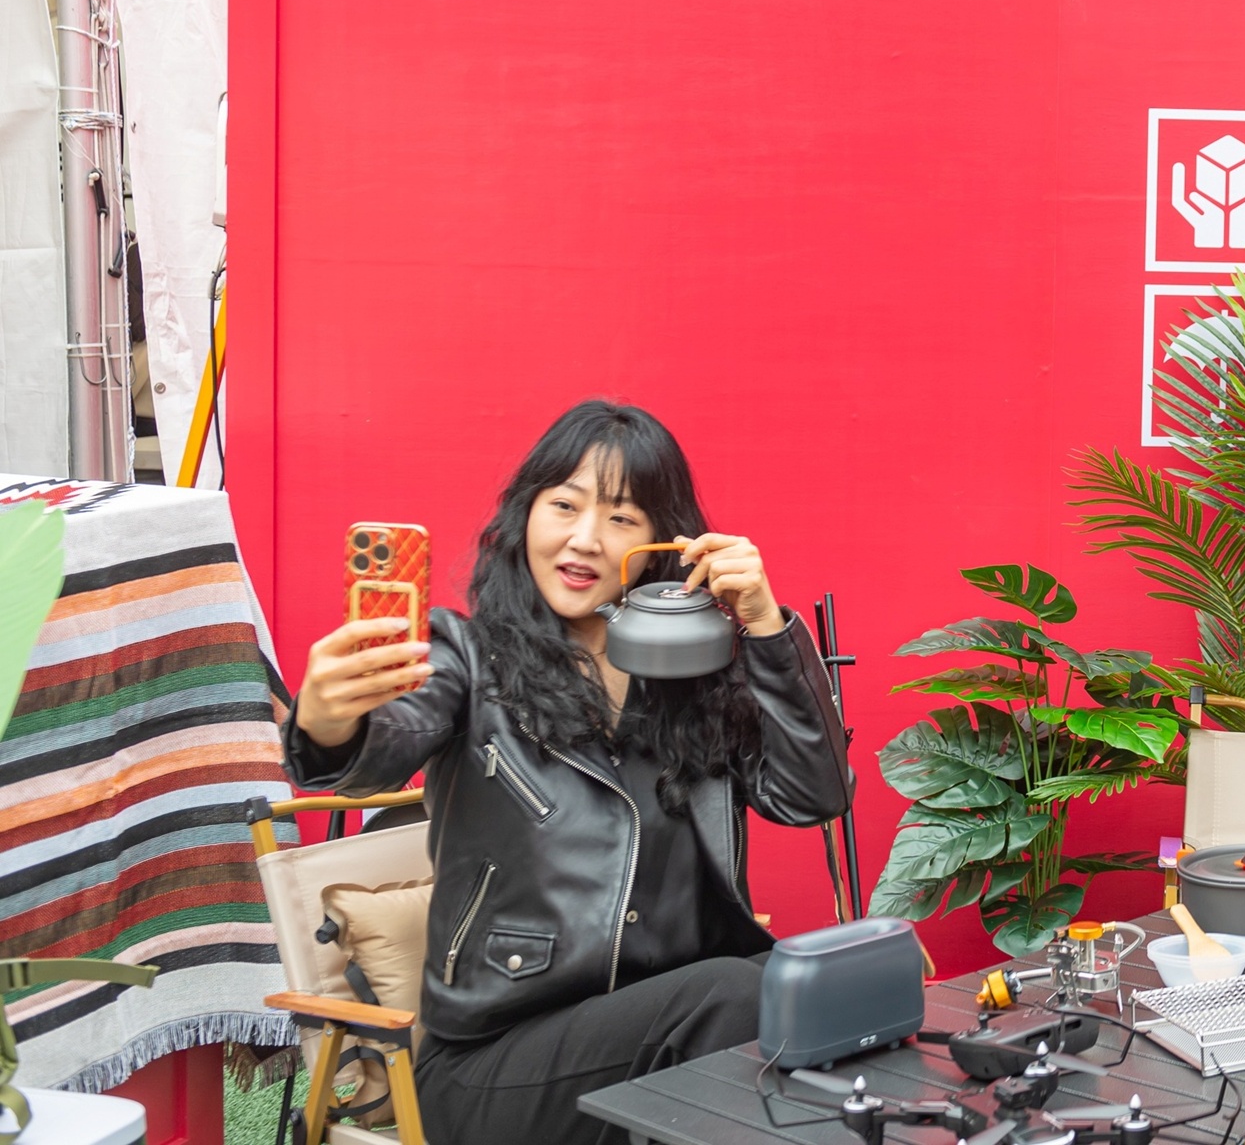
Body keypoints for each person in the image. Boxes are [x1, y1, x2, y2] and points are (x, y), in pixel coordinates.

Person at [285, 400, 852, 1144]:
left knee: (823, 1003)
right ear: (527, 513)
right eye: (564, 505)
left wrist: (767, 628)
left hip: (669, 1045)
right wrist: (331, 721)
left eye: (621, 517)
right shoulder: (467, 657)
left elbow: (813, 796)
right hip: (494, 1067)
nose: (584, 538)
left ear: (661, 544)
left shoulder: (697, 679)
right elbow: (383, 741)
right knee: (739, 995)